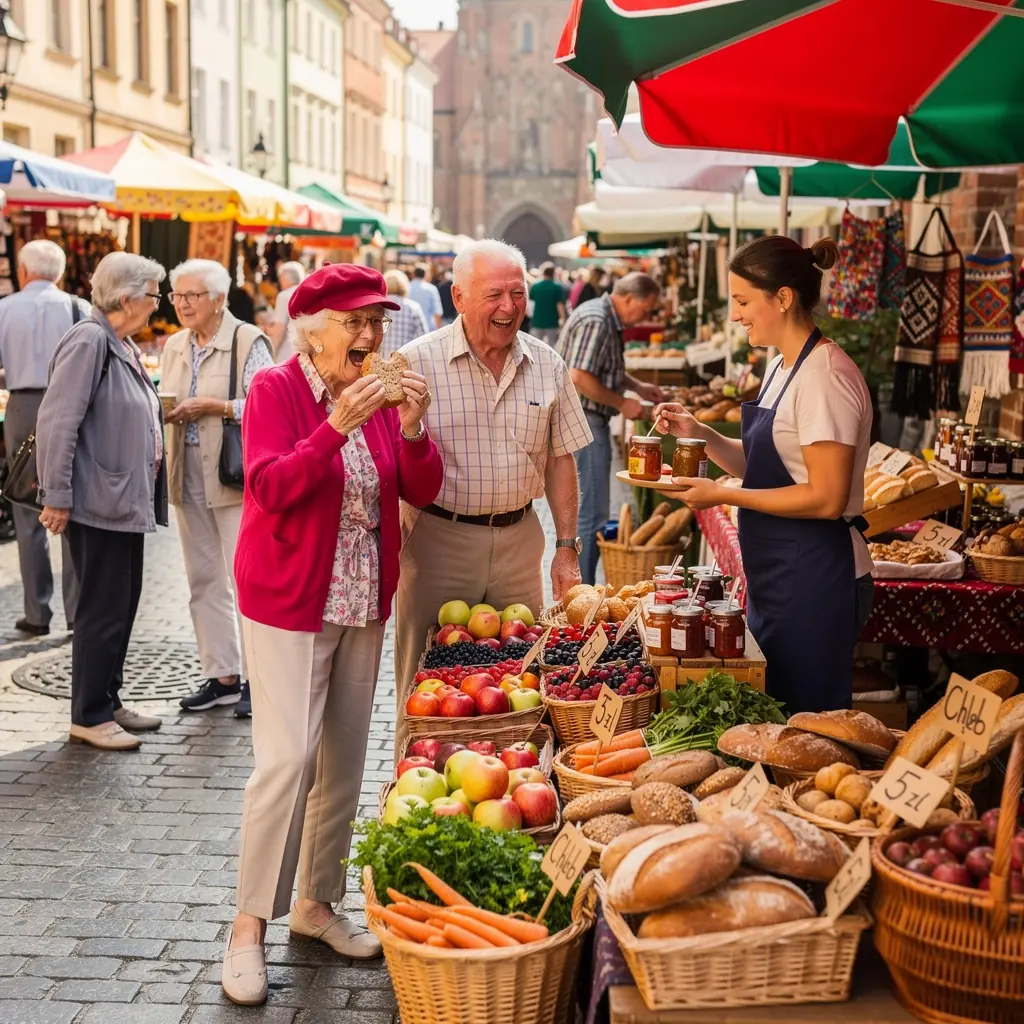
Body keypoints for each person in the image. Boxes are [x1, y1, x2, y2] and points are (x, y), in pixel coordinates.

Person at [222, 263, 442, 1006]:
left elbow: (421, 487)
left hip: (360, 599)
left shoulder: (377, 396)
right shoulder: (275, 391)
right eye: (355, 322)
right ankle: (247, 926)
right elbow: (272, 488)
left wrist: (411, 427)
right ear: (314, 331)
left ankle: (316, 905)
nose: (371, 335)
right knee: (285, 761)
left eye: (376, 321)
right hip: (288, 597)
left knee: (343, 759)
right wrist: (331, 429)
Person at [654, 236, 873, 714]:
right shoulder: (781, 366)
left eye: (743, 301)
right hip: (781, 573)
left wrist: (727, 494)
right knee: (777, 711)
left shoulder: (825, 378)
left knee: (809, 720)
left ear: (784, 298)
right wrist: (700, 433)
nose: (736, 315)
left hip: (817, 575)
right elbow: (763, 463)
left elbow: (826, 497)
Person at [395, 239, 593, 753]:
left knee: (524, 683)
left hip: (519, 540)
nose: (509, 308)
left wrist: (566, 545)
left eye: (517, 294)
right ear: (458, 297)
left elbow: (560, 459)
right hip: (437, 539)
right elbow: (386, 458)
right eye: (494, 295)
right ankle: (411, 801)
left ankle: (520, 791)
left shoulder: (548, 363)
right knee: (424, 688)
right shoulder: (417, 362)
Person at [36, 252, 169, 751]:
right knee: (100, 609)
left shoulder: (120, 341)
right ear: (128, 297)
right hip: (96, 501)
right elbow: (57, 421)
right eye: (154, 294)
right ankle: (88, 715)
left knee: (122, 604)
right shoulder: (90, 339)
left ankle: (108, 699)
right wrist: (57, 496)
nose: (157, 305)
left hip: (122, 501)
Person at [162, 260, 275, 719]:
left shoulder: (247, 340)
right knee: (202, 579)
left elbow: (268, 402)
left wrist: (216, 406)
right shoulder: (174, 344)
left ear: (219, 300)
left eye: (193, 295)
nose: (184, 304)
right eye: (177, 296)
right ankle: (222, 675)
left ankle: (255, 679)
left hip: (233, 474)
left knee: (243, 579)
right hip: (186, 470)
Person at [559, 273, 664, 584]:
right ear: (630, 298)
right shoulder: (597, 319)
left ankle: (584, 587)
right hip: (585, 420)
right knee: (590, 514)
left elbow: (600, 368)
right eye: (646, 309)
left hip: (587, 419)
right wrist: (622, 403)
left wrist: (637, 387)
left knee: (592, 511)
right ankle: (583, 590)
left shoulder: (604, 316)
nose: (646, 317)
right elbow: (579, 376)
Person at [0, 240, 82, 636]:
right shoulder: (76, 308)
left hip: (20, 408)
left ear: (23, 270)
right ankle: (77, 613)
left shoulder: (4, 307)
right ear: (61, 273)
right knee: (71, 504)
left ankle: (37, 613)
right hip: (69, 407)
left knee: (25, 503)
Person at [381, 269, 429, 355]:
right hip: (405, 359)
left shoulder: (380, 306)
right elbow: (423, 337)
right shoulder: (413, 307)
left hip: (381, 359)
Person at [529, 263, 566, 346]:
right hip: (552, 322)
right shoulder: (556, 287)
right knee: (552, 347)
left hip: (537, 321)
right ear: (553, 274)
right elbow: (560, 305)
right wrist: (563, 319)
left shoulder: (535, 286)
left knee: (535, 347)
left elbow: (530, 304)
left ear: (544, 273)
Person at [408, 263, 442, 329]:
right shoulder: (431, 289)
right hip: (427, 329)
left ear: (413, 274)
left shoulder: (407, 287)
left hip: (409, 328)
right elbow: (437, 312)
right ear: (425, 274)